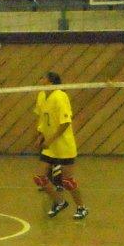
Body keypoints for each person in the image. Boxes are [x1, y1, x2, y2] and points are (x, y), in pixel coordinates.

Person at [34, 72, 87, 220]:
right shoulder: (41, 95)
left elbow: (65, 123)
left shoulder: (60, 96)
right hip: (50, 146)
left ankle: (81, 207)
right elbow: (44, 119)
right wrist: (40, 136)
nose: (40, 80)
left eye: (43, 78)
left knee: (67, 181)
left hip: (63, 146)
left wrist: (49, 140)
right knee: (40, 178)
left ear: (51, 82)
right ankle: (59, 202)